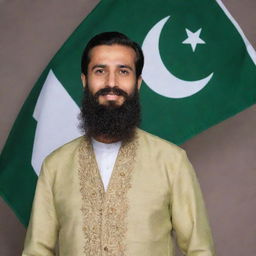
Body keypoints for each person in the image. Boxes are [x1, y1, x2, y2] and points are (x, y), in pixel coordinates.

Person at [22, 32, 215, 256]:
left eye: (123, 71)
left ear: (138, 82)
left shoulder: (171, 161)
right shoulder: (55, 166)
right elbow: (36, 251)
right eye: (100, 71)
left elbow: (200, 250)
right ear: (85, 81)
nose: (111, 83)